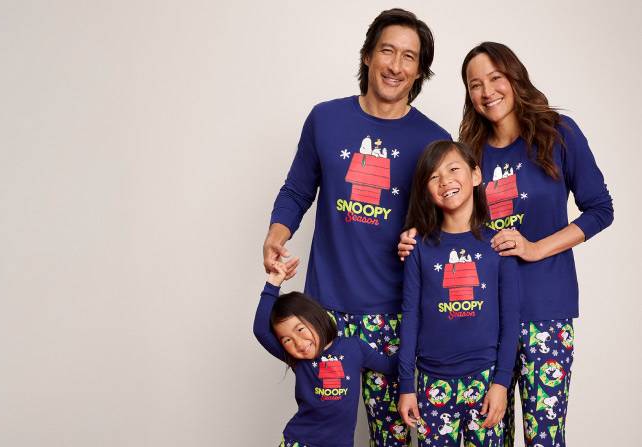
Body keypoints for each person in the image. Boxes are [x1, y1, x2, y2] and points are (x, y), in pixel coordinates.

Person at [397, 42, 614, 446]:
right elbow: (450, 214)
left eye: (495, 78)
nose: (487, 91)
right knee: (492, 436)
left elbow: (600, 210)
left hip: (544, 312)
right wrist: (415, 234)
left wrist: (535, 248)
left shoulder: (558, 134)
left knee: (544, 437)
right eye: (475, 84)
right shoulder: (471, 151)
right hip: (483, 326)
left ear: (514, 77)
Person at [263, 9, 450, 445]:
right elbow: (297, 189)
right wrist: (277, 232)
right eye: (387, 50)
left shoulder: (433, 141)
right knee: (323, 431)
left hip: (394, 312)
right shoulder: (325, 119)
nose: (395, 65)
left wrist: (422, 237)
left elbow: (451, 222)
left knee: (393, 436)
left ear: (419, 70)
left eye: (409, 56)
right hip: (324, 310)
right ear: (367, 55)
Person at [396, 140, 520, 447]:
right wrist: (407, 385)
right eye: (433, 176)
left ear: (476, 175)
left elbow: (510, 321)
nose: (445, 180)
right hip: (432, 381)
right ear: (426, 189)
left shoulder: (499, 245)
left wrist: (501, 383)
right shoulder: (418, 248)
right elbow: (410, 318)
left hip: (485, 380)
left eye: (453, 169)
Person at [253, 259, 398, 447]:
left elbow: (389, 365)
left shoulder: (354, 348)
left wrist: (419, 346)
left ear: (316, 318)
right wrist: (273, 283)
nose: (298, 343)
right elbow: (261, 330)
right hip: (300, 442)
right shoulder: (298, 360)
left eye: (300, 330)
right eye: (287, 340)